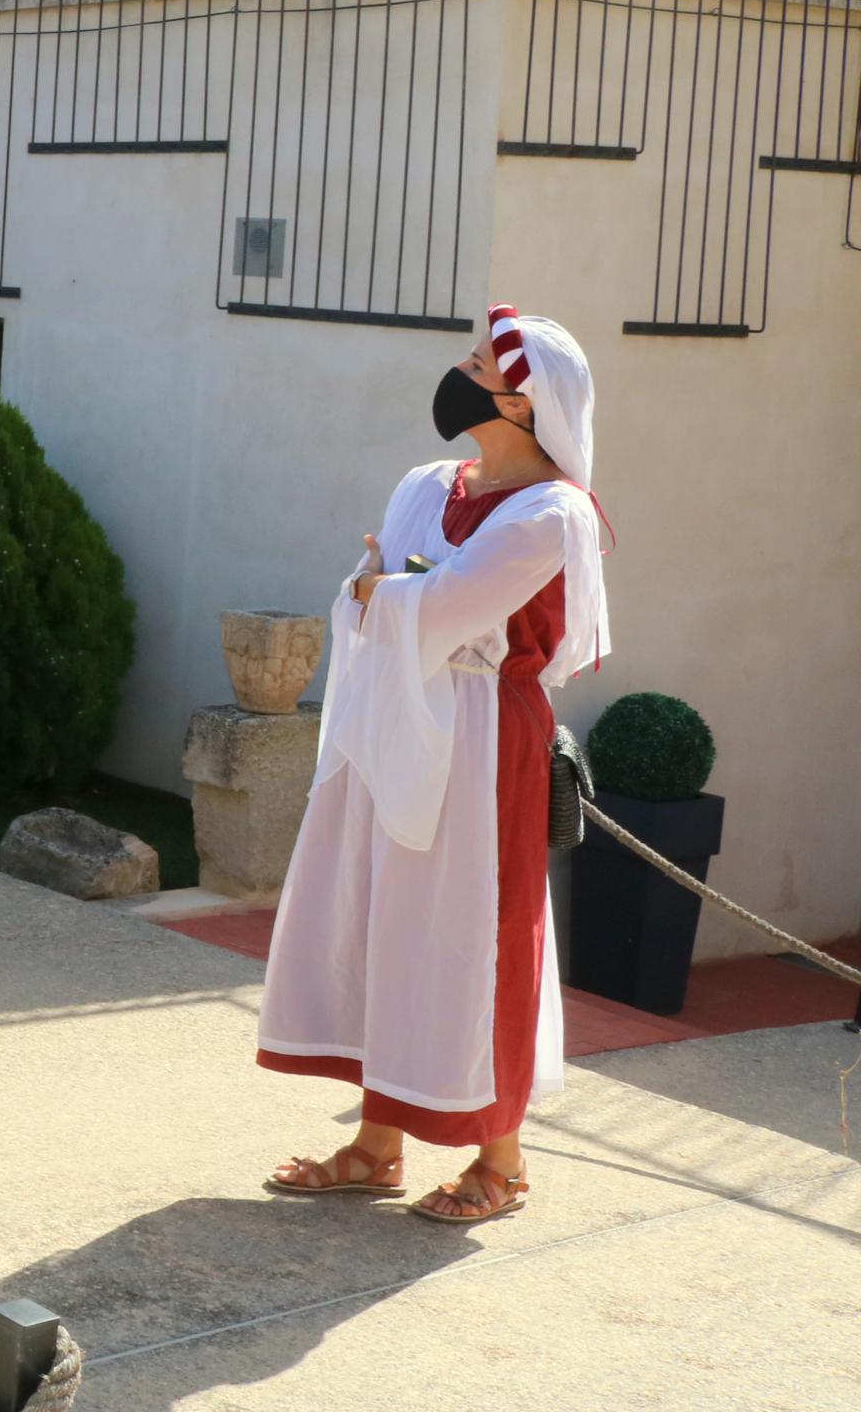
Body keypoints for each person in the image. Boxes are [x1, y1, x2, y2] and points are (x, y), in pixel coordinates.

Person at [259, 308, 609, 1226]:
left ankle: (503, 1161)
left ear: (526, 406)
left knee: (477, 934)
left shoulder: (552, 514)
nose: (454, 377)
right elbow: (373, 592)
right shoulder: (426, 483)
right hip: (392, 717)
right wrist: (387, 594)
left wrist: (386, 591)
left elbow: (443, 606)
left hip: (485, 738)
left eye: (474, 368)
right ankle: (378, 1148)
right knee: (384, 917)